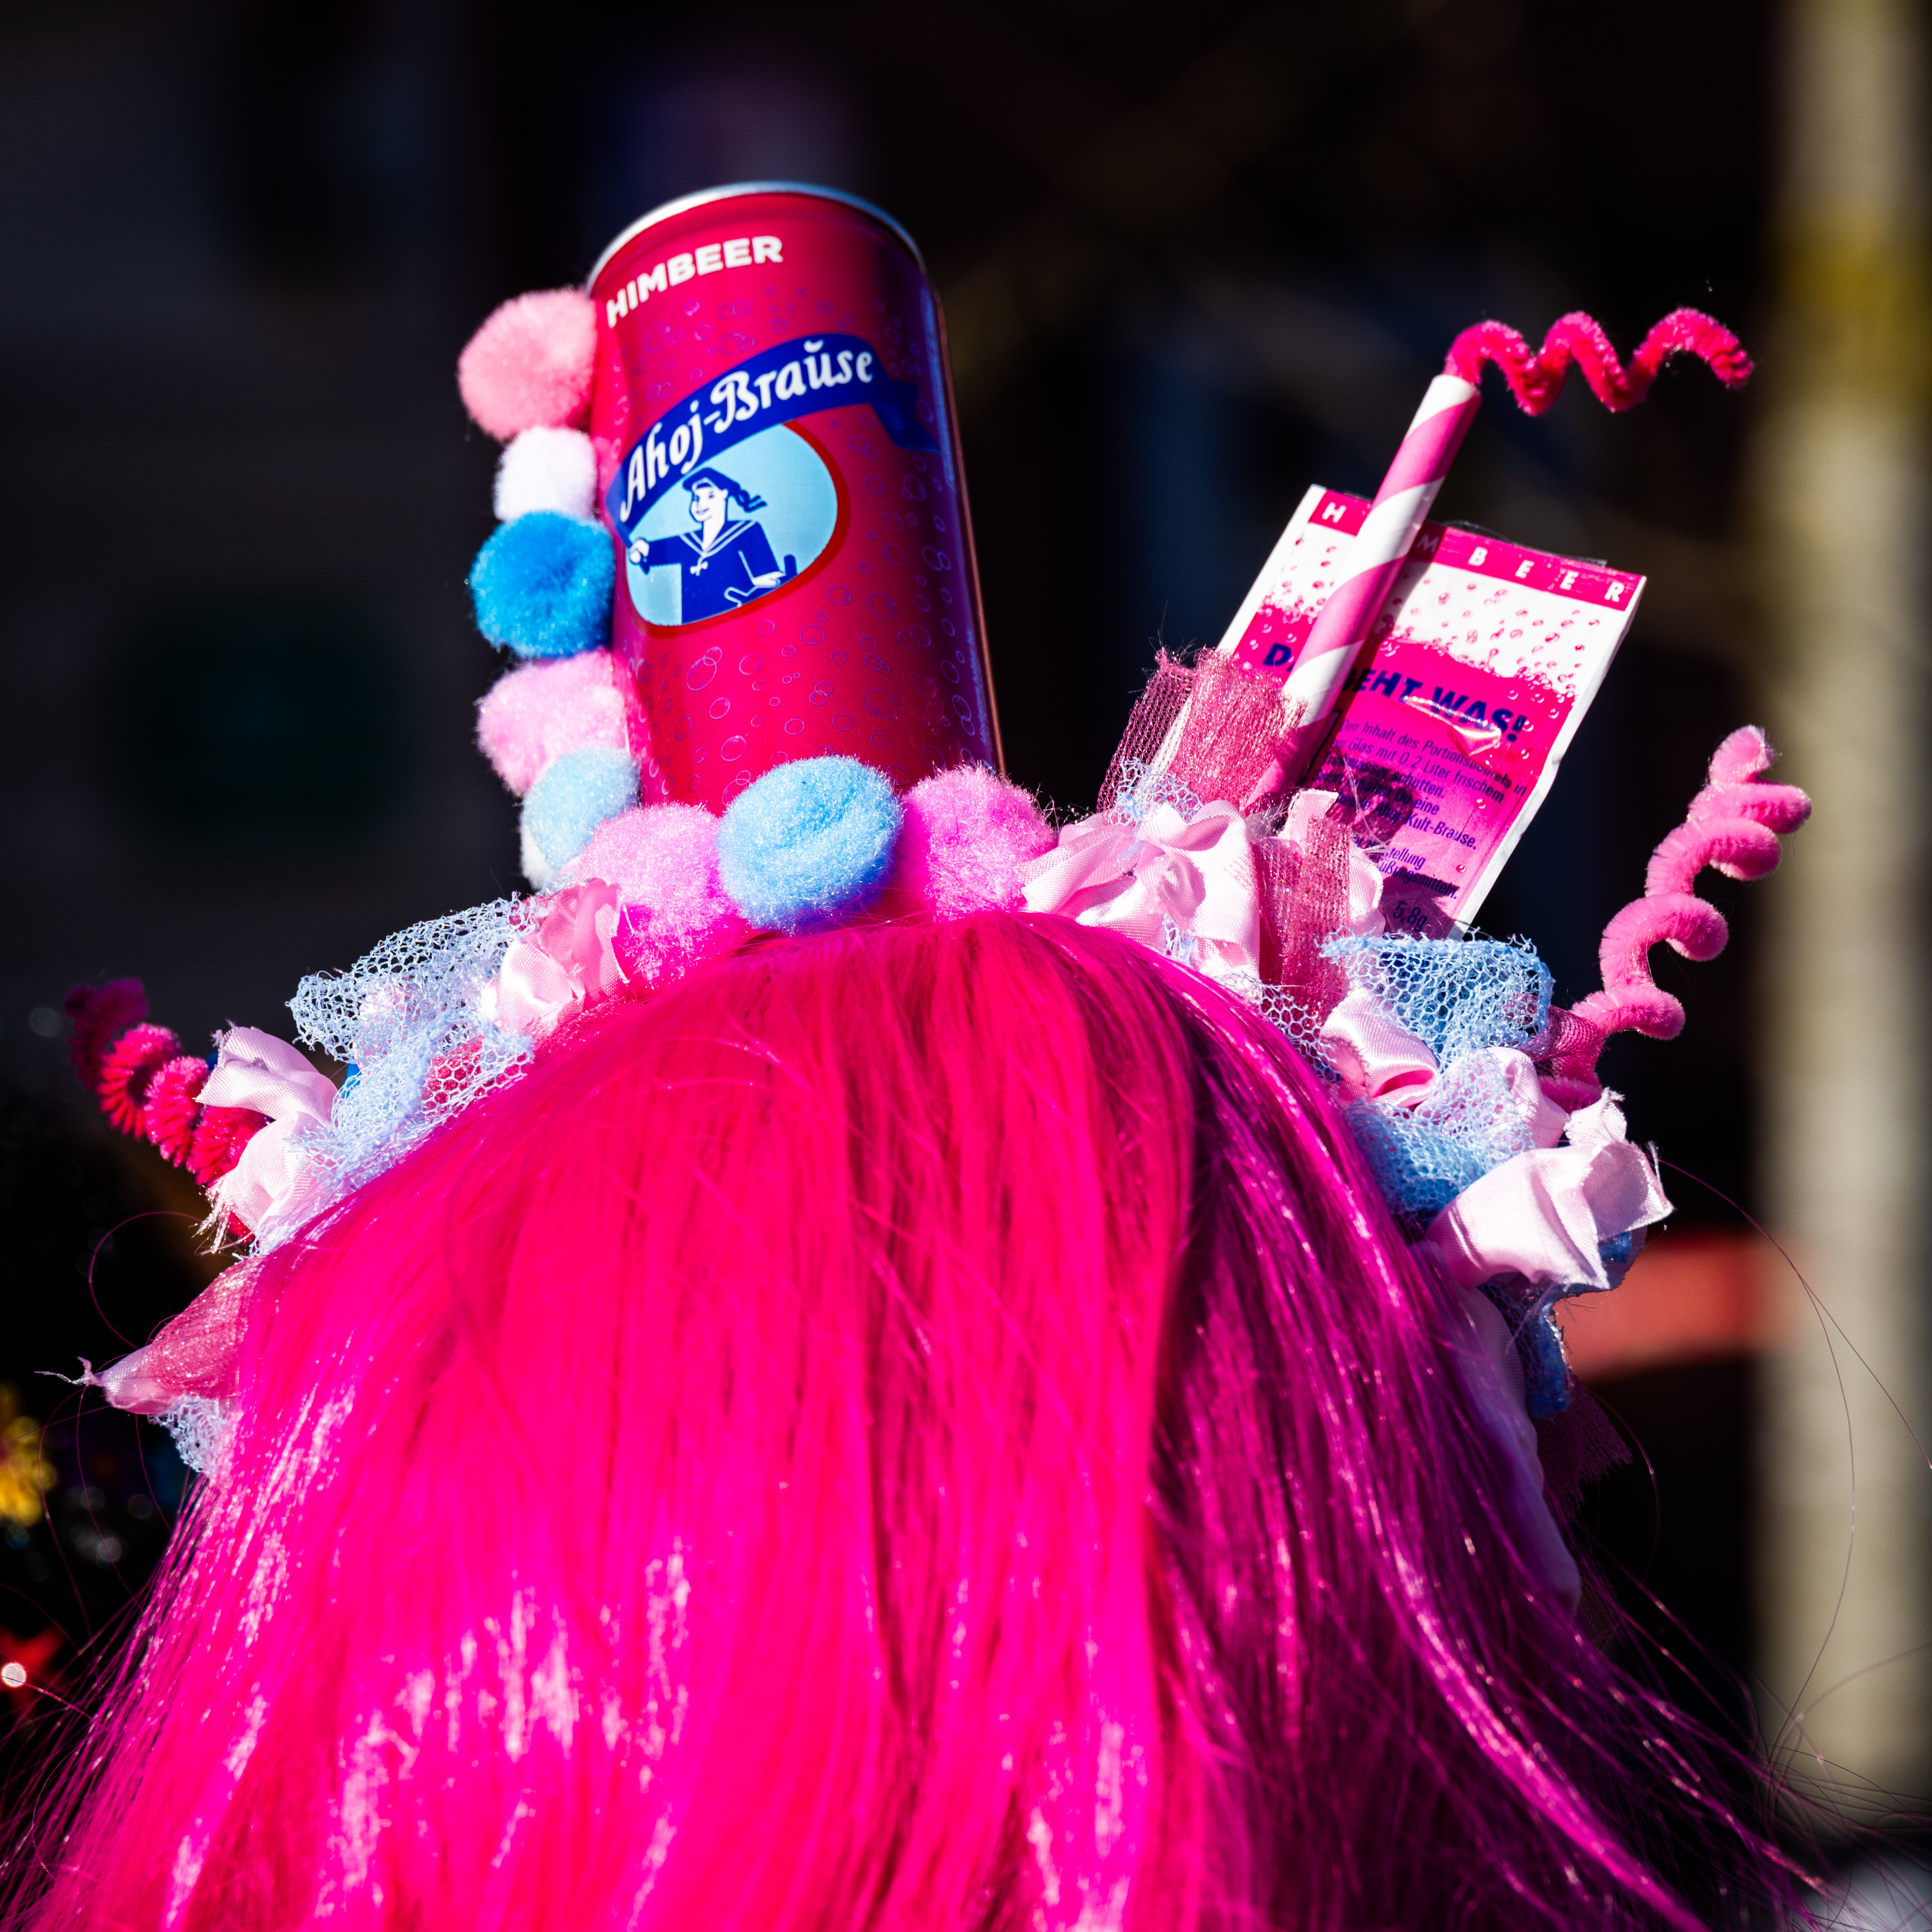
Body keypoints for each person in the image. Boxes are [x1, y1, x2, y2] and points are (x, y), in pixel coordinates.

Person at [627, 467, 786, 621]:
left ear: (724, 495)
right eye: (696, 498)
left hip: (741, 625)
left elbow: (770, 582)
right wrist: (640, 549)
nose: (701, 504)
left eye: (710, 496)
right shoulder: (689, 541)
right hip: (692, 632)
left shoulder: (748, 532)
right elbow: (654, 550)